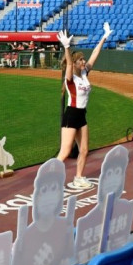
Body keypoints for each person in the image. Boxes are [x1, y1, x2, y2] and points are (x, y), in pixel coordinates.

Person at [55, 22, 112, 189]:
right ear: (75, 62)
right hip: (71, 115)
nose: (84, 61)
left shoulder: (85, 72)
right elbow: (69, 65)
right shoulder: (70, 78)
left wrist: (104, 37)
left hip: (82, 116)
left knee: (85, 149)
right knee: (65, 152)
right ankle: (50, 177)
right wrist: (66, 47)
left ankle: (78, 177)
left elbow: (95, 54)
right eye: (81, 59)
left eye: (83, 59)